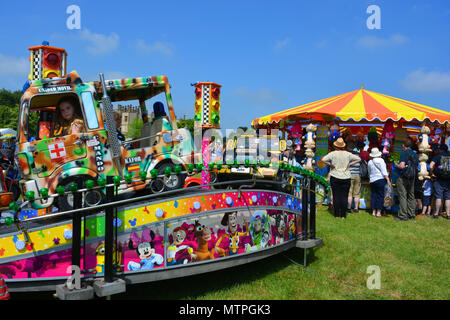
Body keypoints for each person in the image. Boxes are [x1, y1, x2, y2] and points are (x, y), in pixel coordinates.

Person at [322, 137, 361, 219]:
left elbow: (323, 159)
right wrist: (350, 164)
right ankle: (343, 215)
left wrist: (331, 165)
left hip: (335, 176)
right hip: (346, 176)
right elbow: (358, 159)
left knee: (336, 196)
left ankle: (336, 215)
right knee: (344, 196)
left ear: (336, 146)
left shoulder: (333, 153)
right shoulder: (348, 154)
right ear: (343, 146)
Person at [393, 138, 419, 221]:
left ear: (403, 145)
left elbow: (402, 166)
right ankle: (411, 214)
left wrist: (396, 165)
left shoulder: (404, 153)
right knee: (411, 195)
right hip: (412, 177)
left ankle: (403, 216)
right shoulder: (415, 154)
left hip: (403, 177)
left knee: (403, 196)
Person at [367, 147, 391, 217]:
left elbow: (369, 172)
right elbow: (384, 171)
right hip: (380, 179)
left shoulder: (370, 162)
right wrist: (388, 179)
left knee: (373, 195)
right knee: (380, 196)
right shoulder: (381, 160)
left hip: (372, 180)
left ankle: (373, 211)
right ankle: (378, 212)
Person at [430, 144, 450, 219]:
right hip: (448, 180)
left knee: (438, 196)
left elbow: (431, 165)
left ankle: (436, 214)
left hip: (438, 179)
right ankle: (448, 215)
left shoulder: (437, 156)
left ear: (440, 149)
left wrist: (431, 173)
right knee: (448, 198)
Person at [347, 141, 361, 213]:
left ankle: (348, 208)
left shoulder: (347, 155)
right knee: (357, 193)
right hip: (357, 175)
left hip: (349, 175)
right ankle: (356, 208)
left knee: (349, 192)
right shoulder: (358, 155)